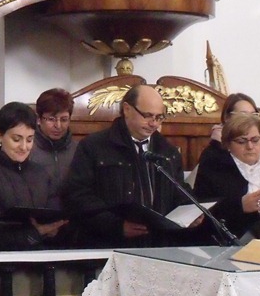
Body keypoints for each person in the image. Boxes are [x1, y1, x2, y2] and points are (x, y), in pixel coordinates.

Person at [62, 84, 199, 248]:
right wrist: (115, 226)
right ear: (127, 109)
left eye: (159, 117)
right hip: (109, 243)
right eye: (147, 116)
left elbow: (178, 191)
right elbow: (78, 195)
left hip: (158, 245)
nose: (153, 124)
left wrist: (190, 214)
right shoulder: (94, 146)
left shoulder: (168, 152)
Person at [0, 102, 67, 250]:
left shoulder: (42, 175)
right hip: (1, 261)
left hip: (44, 257)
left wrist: (57, 229)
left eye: (29, 139)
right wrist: (34, 234)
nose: (24, 147)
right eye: (16, 139)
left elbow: (57, 217)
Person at [193, 113, 260, 240]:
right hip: (227, 244)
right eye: (241, 141)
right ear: (228, 144)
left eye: (255, 140)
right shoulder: (213, 170)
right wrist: (239, 206)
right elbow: (201, 217)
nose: (250, 147)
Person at [31, 87, 77, 190]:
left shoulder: (78, 150)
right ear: (39, 119)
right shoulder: (27, 149)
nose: (58, 126)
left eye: (64, 120)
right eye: (51, 119)